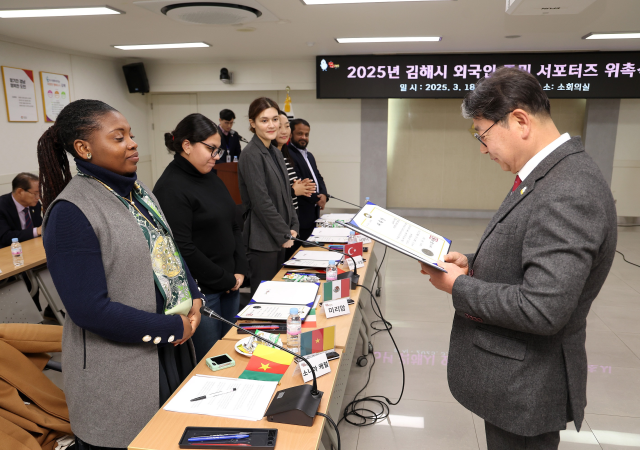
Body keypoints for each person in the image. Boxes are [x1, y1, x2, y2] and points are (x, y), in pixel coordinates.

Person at [419, 67, 617, 450]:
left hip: (527, 384)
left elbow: (542, 308)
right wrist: (472, 263)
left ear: (520, 120)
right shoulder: (548, 174)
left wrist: (459, 285)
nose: (482, 148)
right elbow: (527, 251)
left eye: (483, 135)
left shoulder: (569, 189)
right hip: (516, 377)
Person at [38, 99, 203, 450]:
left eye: (130, 134)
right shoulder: (71, 211)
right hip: (118, 368)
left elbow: (168, 251)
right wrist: (173, 327)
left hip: (169, 350)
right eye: (118, 137)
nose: (132, 142)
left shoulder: (138, 192)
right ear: (83, 148)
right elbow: (89, 310)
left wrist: (194, 297)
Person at [153, 113, 249, 362]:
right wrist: (224, 278)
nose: (216, 157)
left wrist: (239, 269)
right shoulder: (170, 187)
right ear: (186, 145)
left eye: (218, 150)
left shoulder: (210, 176)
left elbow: (234, 224)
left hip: (230, 284)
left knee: (231, 354)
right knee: (210, 361)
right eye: (211, 149)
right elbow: (182, 248)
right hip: (203, 292)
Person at [238, 98, 299, 295]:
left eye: (275, 119)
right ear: (252, 123)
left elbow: (286, 194)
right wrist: (284, 233)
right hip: (262, 240)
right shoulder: (251, 154)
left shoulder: (274, 151)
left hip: (280, 235)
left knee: (278, 293)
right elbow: (261, 201)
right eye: (264, 120)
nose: (272, 125)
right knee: (264, 296)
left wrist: (293, 226)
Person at [287, 119, 329, 248]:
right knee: (298, 251)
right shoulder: (288, 154)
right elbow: (299, 184)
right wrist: (317, 198)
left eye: (306, 134)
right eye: (300, 134)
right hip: (301, 212)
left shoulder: (309, 155)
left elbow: (318, 177)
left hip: (313, 211)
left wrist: (324, 195)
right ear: (291, 134)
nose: (303, 137)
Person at [273, 111, 317, 217]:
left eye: (287, 126)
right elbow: (269, 194)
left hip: (292, 216)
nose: (284, 131)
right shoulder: (268, 157)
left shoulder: (284, 155)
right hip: (278, 218)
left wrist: (302, 185)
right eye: (279, 127)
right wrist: (294, 191)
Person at [0, 172, 43, 248]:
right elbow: (5, 237)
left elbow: (41, 226)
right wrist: (36, 231)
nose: (38, 197)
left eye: (40, 193)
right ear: (20, 192)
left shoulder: (35, 205)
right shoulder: (2, 206)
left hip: (33, 247)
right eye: (35, 193)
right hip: (10, 251)